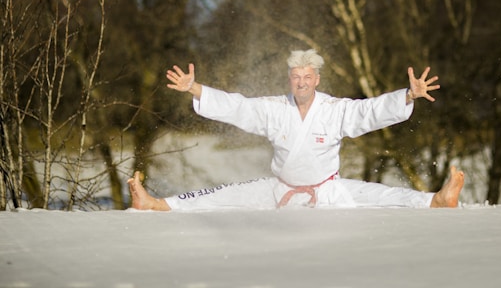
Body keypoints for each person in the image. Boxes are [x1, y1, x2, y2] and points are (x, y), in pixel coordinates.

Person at [128, 49, 464, 211]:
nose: (301, 83)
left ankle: (438, 199)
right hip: (279, 189)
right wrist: (195, 88)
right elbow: (238, 108)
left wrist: (408, 95)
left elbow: (370, 111)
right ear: (289, 79)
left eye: (307, 77)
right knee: (220, 196)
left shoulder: (335, 110)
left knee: (380, 194)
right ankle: (155, 204)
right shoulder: (275, 108)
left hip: (329, 191)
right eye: (295, 77)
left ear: (317, 79)